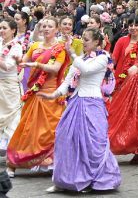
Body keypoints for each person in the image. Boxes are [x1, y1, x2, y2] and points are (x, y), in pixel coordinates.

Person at [38, 28, 121, 193]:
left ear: (97, 42)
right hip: (76, 103)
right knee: (65, 140)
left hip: (92, 104)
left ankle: (90, 180)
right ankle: (64, 181)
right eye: (83, 38)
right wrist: (53, 95)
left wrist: (72, 54)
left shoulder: (103, 57)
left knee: (92, 144)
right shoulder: (81, 58)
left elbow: (87, 70)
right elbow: (68, 80)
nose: (83, 42)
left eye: (87, 39)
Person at [6, 16, 69, 177]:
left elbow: (55, 69)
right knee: (28, 128)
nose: (46, 29)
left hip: (51, 94)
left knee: (51, 129)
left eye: (50, 26)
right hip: (34, 93)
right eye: (44, 26)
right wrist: (16, 59)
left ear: (56, 30)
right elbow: (23, 61)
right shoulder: (34, 45)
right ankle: (14, 162)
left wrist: (35, 64)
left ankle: (51, 161)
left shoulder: (60, 48)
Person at [108, 14, 138, 164]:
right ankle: (111, 146)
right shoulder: (122, 40)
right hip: (121, 83)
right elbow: (114, 59)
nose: (133, 27)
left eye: (136, 25)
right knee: (116, 114)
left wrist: (137, 66)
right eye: (130, 25)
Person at [0, 18, 22, 155]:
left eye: (4, 28)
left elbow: (7, 67)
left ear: (13, 30)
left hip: (10, 87)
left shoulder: (17, 46)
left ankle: (11, 154)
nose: (1, 31)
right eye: (0, 28)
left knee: (12, 118)